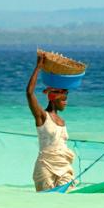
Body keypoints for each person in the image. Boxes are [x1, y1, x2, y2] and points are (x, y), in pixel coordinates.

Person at [26, 54, 75, 191]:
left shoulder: (62, 121)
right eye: (63, 98)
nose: (66, 101)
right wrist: (38, 67)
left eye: (66, 98)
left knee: (68, 198)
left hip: (64, 166)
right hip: (45, 167)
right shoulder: (42, 117)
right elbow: (29, 93)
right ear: (53, 99)